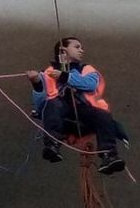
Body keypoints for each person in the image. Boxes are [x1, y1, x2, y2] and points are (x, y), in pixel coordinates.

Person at [26, 37, 125, 174]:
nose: (81, 50)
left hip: (84, 114)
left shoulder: (86, 69)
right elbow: (40, 106)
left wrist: (65, 76)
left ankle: (109, 154)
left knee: (102, 114)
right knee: (53, 104)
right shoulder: (48, 73)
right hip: (62, 119)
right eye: (77, 47)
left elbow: (91, 84)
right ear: (63, 50)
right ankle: (52, 144)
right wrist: (36, 83)